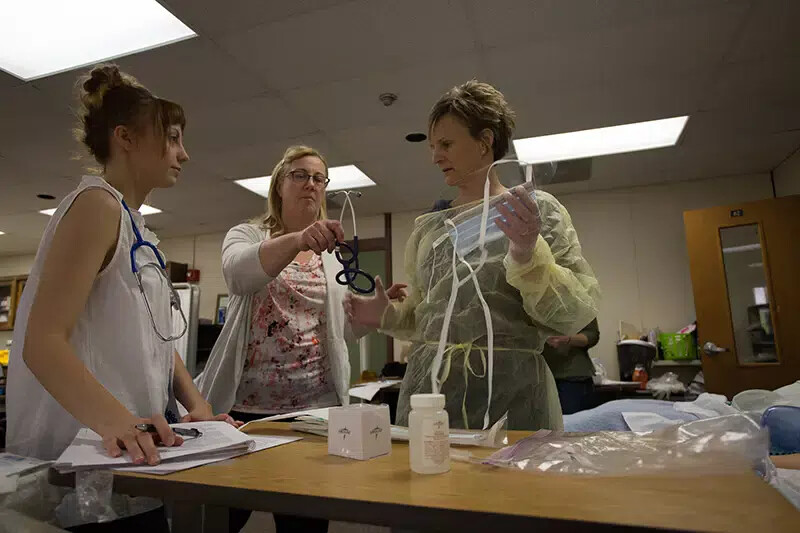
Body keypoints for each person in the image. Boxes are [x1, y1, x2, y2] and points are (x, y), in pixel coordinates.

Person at [6, 64, 232, 531]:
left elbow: (156, 341)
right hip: (90, 458)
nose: (184, 154)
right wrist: (121, 423)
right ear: (125, 138)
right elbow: (41, 342)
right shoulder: (96, 206)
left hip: (131, 459)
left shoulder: (139, 229)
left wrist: (198, 408)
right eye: (171, 138)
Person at [345, 81, 600, 431]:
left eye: (446, 144)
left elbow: (572, 314)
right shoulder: (430, 231)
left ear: (485, 141)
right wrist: (386, 315)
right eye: (433, 146)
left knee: (512, 486)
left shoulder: (533, 214)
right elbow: (428, 317)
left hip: (516, 403)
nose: (435, 156)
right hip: (433, 399)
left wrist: (528, 256)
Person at [197, 145, 405, 533]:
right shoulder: (246, 234)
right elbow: (238, 275)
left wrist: (374, 315)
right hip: (245, 413)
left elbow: (338, 331)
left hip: (313, 414)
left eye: (318, 178)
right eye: (300, 175)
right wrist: (296, 240)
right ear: (279, 184)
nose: (311, 184)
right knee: (222, 517)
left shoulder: (330, 258)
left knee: (304, 525)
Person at [543, 318, 600, 414]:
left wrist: (568, 339)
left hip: (572, 377)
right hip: (539, 376)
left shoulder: (581, 304)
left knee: (573, 424)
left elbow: (592, 335)